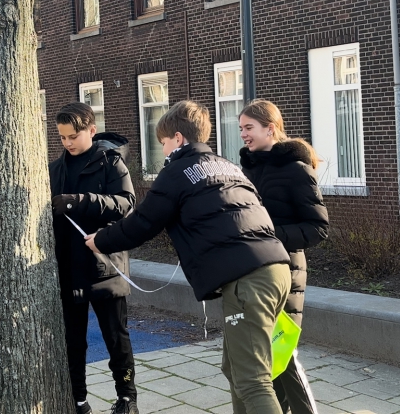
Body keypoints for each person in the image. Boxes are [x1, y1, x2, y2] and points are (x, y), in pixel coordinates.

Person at [86, 100, 292, 414]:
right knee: (234, 368)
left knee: (253, 380)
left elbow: (143, 222)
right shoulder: (226, 165)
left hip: (247, 280)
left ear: (178, 139)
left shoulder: (177, 171)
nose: (164, 150)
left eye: (164, 143)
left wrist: (100, 240)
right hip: (275, 269)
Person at [239, 99, 329, 414]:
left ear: (271, 129)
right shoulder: (246, 169)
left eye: (249, 128)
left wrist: (267, 233)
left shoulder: (296, 169)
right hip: (254, 272)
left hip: (288, 273)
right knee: (267, 358)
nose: (243, 135)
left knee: (282, 353)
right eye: (241, 129)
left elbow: (318, 228)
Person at [49, 102, 139, 414]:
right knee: (73, 343)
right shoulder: (56, 168)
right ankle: (79, 400)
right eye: (61, 137)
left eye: (73, 136)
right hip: (67, 268)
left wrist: (78, 202)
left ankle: (127, 398)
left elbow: (126, 203)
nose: (67, 143)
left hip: (105, 266)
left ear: (91, 130)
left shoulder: (111, 162)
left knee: (117, 340)